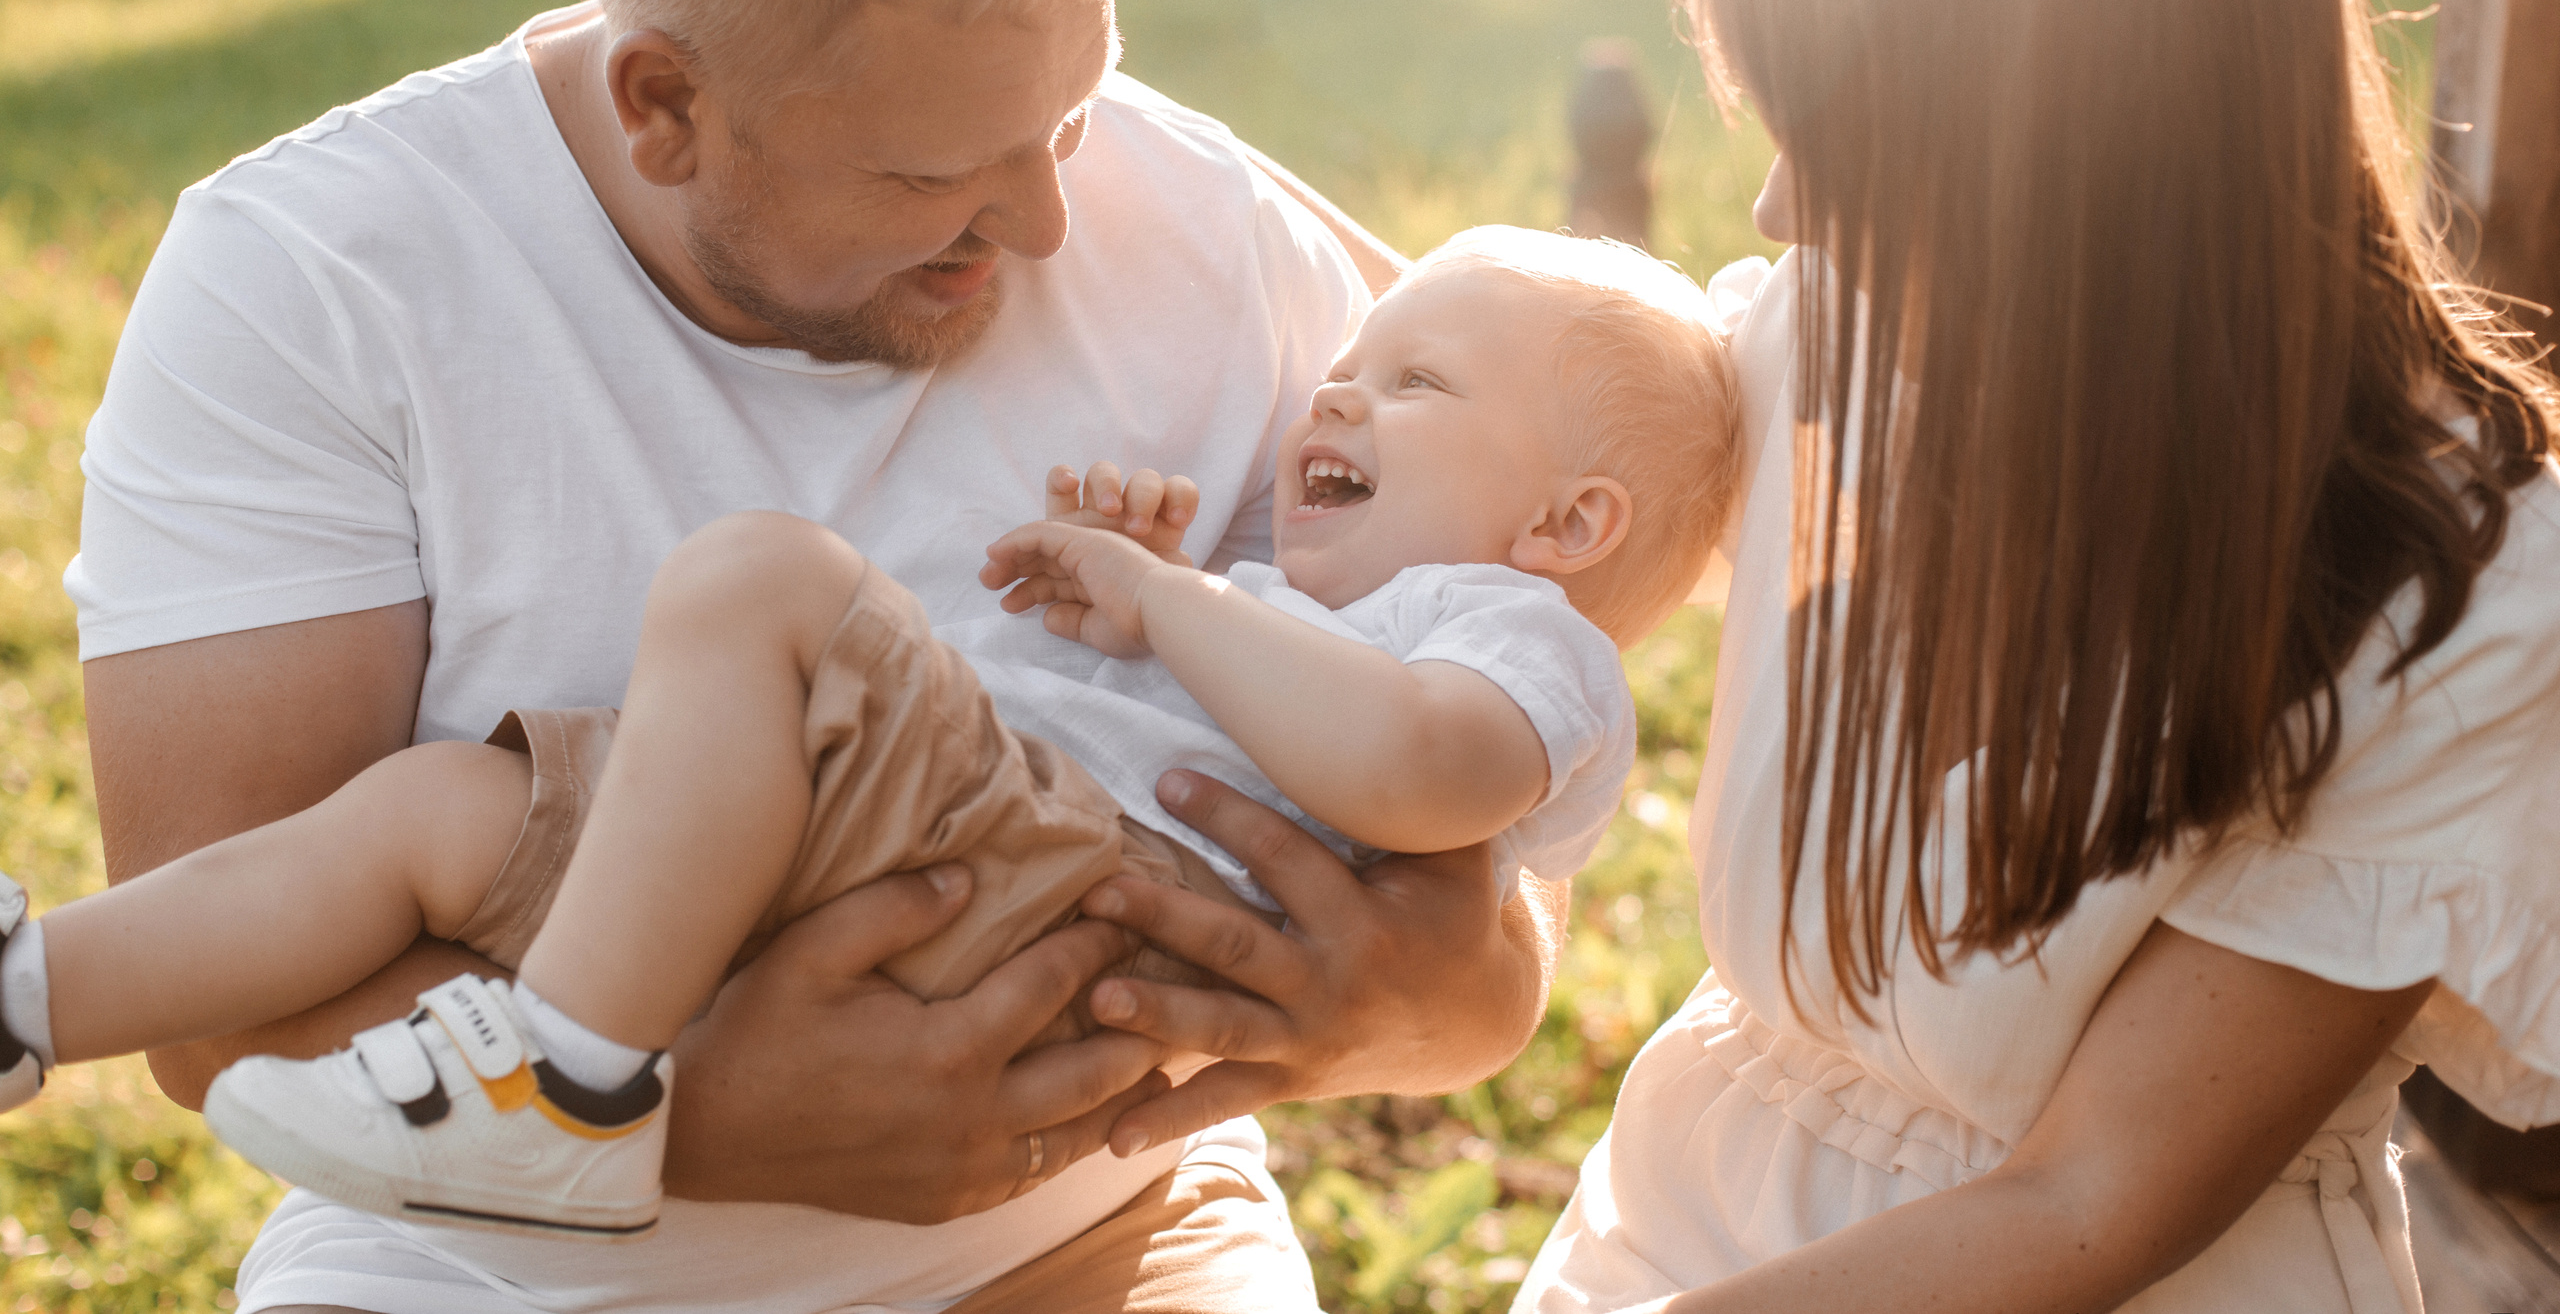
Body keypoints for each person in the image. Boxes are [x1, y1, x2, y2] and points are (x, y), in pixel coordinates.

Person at [61, 0, 1569, 1314]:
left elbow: (1493, 873)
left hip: (1100, 1237)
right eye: (936, 175)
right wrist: (716, 1120)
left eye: (1070, 116)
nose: (1048, 220)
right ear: (663, 106)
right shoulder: (321, 282)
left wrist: (1444, 999)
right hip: (482, 1275)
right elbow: (205, 1018)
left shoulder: (1226, 244)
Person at [5, 231, 1736, 1293]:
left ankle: (574, 1088)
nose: (1333, 401)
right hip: (907, 842)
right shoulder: (1298, 593)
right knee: (436, 813)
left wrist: (1176, 599)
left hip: (1055, 893)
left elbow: (1420, 779)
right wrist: (1143, 584)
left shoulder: (1514, 636)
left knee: (761, 584)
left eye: (1411, 381)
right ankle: (32, 992)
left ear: (1570, 522)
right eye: (1344, 368)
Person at [1520, 0, 2560, 1314]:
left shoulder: (2452, 593)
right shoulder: (1840, 338)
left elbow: (2082, 1210)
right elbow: (1495, 438)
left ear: (2081, 162)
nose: (1779, 216)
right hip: (1693, 1217)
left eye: (1848, 143)